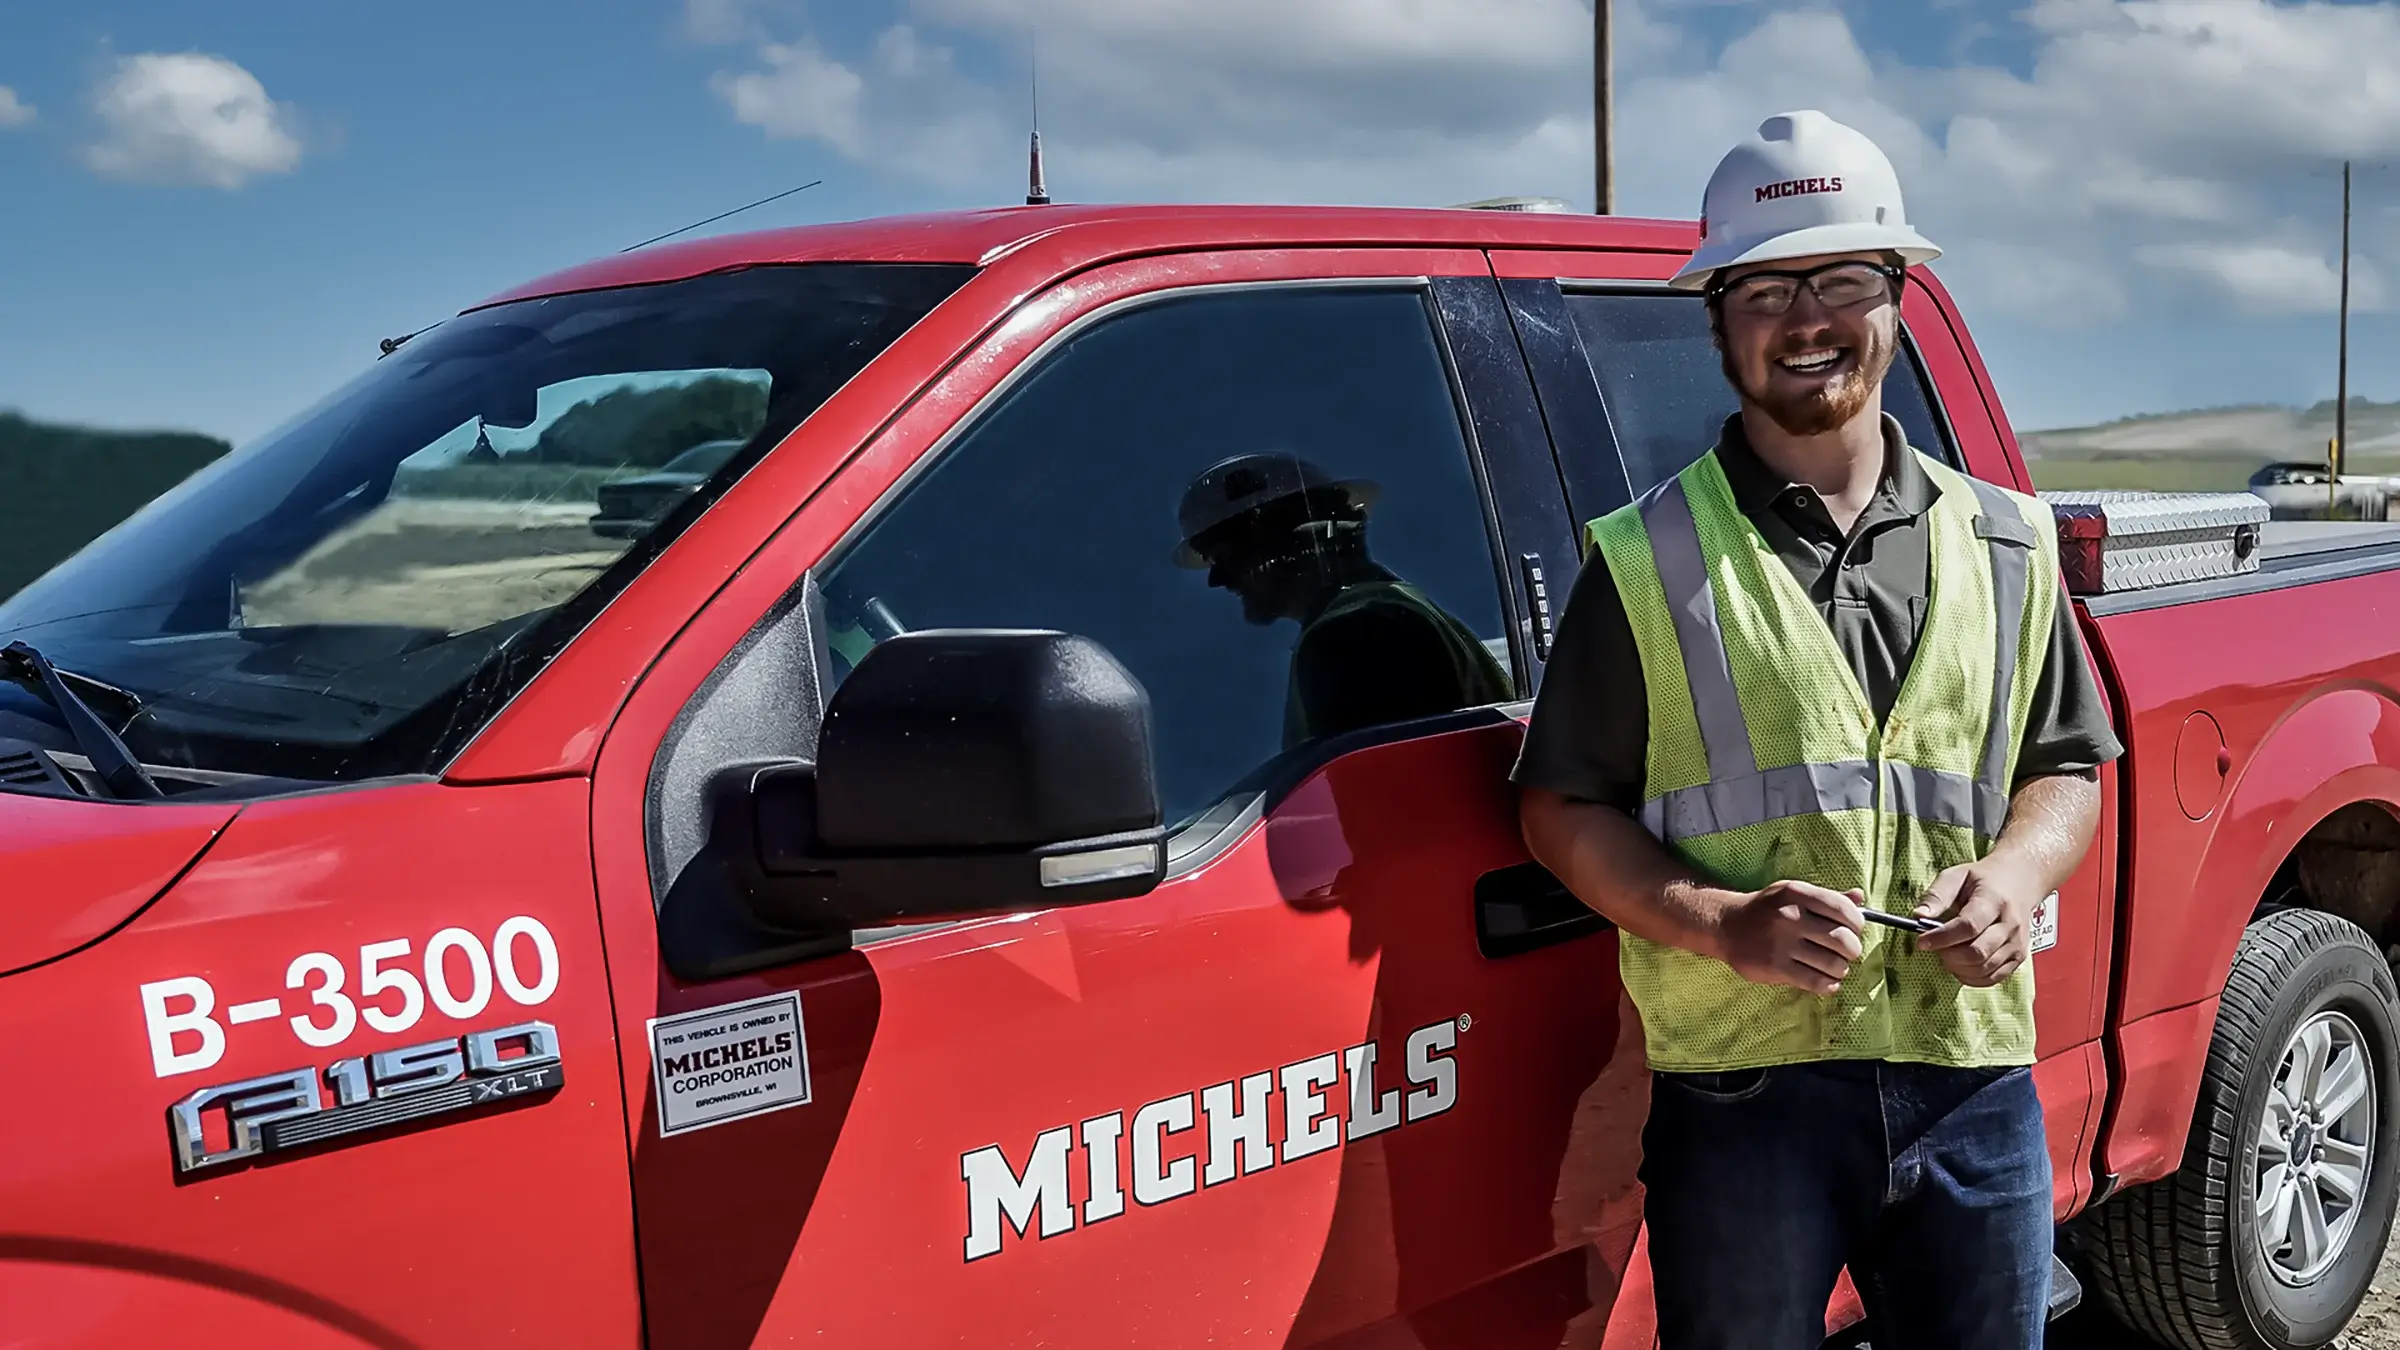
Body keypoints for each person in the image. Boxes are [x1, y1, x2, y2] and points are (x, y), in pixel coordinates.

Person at [1512, 110, 2123, 1350]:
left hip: (1973, 1079)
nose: (1807, 319)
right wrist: (1725, 923)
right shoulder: (1645, 559)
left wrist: (2015, 873)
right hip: (1743, 1094)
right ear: (1718, 319)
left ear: (1896, 297)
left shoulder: (2007, 541)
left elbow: (2065, 764)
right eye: (1766, 289)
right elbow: (1559, 810)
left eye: (1842, 280)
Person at [1173, 451, 1512, 749]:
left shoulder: (1356, 634)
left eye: (1224, 557)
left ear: (1284, 542)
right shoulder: (1389, 612)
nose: (1217, 580)